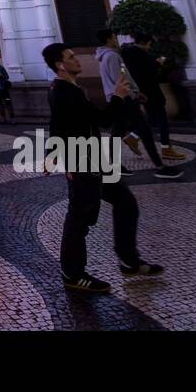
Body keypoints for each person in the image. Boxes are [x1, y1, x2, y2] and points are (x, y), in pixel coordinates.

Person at [43, 42, 164, 294]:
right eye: (71, 57)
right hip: (83, 160)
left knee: (125, 203)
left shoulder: (68, 88)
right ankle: (73, 273)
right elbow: (102, 119)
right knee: (79, 217)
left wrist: (51, 154)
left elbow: (58, 123)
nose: (77, 60)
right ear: (59, 64)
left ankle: (128, 259)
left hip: (94, 158)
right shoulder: (65, 90)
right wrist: (118, 97)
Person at [96, 29, 182, 180]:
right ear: (109, 39)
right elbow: (120, 79)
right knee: (144, 131)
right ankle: (160, 167)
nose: (116, 39)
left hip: (121, 98)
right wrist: (133, 94)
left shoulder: (110, 56)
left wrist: (135, 91)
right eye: (114, 37)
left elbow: (123, 75)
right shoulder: (111, 57)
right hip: (124, 100)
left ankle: (114, 165)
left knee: (118, 132)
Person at [120, 33, 186, 160]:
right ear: (146, 43)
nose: (149, 47)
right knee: (162, 119)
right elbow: (147, 72)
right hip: (150, 91)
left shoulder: (127, 54)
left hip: (141, 91)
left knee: (151, 118)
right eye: (150, 44)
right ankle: (166, 148)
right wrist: (158, 63)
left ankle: (133, 137)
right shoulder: (140, 54)